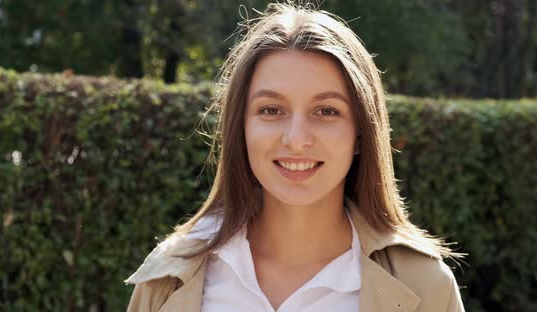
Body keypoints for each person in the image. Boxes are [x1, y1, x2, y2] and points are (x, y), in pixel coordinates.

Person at [125, 2, 465, 311]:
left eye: (326, 111)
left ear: (360, 133)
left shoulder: (426, 286)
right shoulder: (166, 280)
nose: (297, 139)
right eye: (271, 110)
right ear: (240, 128)